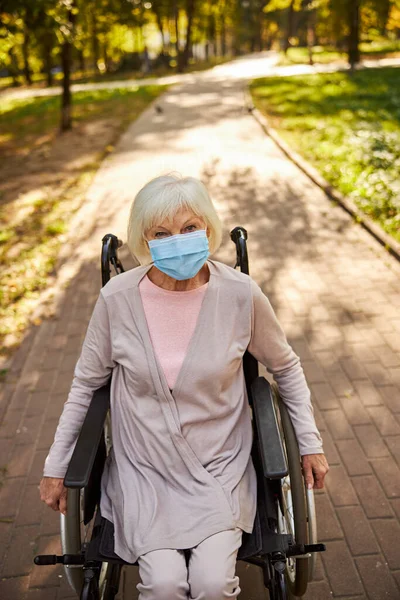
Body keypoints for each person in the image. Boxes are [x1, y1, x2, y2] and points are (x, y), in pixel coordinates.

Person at [40, 174, 329, 600]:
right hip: (145, 470)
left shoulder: (240, 295)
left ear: (208, 229)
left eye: (190, 228)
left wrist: (309, 442)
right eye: (161, 233)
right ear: (144, 240)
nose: (178, 240)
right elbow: (86, 385)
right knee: (164, 585)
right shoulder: (116, 300)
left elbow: (285, 367)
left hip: (220, 466)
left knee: (212, 585)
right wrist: (56, 465)